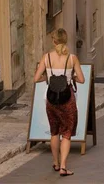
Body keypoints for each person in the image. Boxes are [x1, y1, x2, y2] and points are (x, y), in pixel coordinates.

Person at [34, 28, 85, 177]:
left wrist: (48, 79)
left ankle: (55, 163)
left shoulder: (46, 57)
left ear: (54, 41)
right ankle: (63, 166)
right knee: (67, 133)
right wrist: (71, 78)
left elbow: (36, 78)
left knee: (54, 131)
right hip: (67, 99)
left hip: (51, 99)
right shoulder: (72, 58)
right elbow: (82, 79)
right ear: (66, 40)